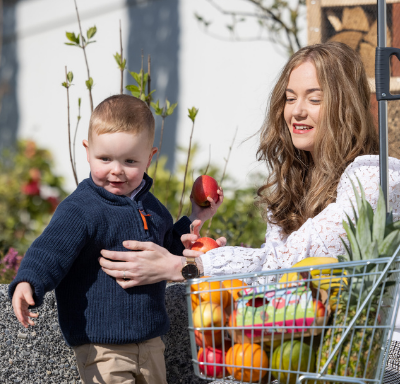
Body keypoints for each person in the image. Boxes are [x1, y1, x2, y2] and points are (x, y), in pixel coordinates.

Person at [98, 43, 400, 381]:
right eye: (290, 98)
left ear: (346, 107)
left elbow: (287, 262)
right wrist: (208, 250)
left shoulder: (374, 179)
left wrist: (188, 266)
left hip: (375, 359)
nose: (297, 111)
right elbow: (276, 282)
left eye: (314, 99)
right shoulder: (294, 183)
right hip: (309, 354)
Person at [9, 94, 223, 384]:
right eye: (105, 158)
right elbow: (50, 250)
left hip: (150, 344)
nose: (117, 170)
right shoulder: (81, 208)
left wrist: (194, 219)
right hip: (102, 347)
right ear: (87, 151)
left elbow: (166, 253)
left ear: (150, 157)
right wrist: (28, 281)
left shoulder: (154, 209)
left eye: (130, 160)